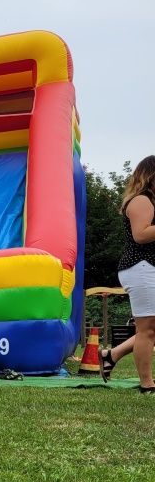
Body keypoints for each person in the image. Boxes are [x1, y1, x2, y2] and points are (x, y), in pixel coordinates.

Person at [111, 155, 155, 393]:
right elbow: (141, 234)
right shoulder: (141, 200)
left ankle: (112, 354)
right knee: (147, 329)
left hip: (146, 268)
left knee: (149, 328)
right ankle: (147, 384)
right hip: (141, 267)